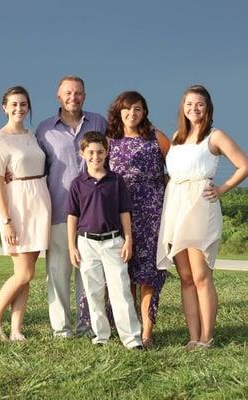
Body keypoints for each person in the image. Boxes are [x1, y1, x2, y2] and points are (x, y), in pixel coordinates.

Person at [156, 84, 248, 350]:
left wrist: (221, 189)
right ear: (182, 108)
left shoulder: (215, 136)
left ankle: (207, 338)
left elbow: (244, 165)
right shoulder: (177, 136)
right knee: (185, 278)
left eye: (199, 104)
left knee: (200, 275)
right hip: (175, 205)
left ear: (207, 107)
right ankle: (193, 336)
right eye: (188, 104)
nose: (193, 109)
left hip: (200, 206)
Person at [35, 76, 107, 338]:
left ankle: (87, 325)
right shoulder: (44, 130)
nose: (73, 97)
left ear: (84, 96)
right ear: (58, 96)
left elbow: (110, 159)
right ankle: (61, 328)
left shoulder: (99, 122)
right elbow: (36, 168)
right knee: (58, 272)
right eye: (68, 93)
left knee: (88, 274)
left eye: (78, 93)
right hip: (58, 209)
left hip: (93, 214)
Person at [0, 86, 51, 342]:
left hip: (39, 202)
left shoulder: (32, 136)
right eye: (14, 104)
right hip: (18, 206)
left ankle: (16, 330)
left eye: (23, 104)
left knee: (28, 273)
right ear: (4, 107)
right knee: (23, 272)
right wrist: (6, 219)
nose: (19, 108)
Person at [106, 91, 170, 349]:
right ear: (118, 111)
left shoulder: (155, 136)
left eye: (138, 109)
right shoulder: (110, 140)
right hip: (120, 212)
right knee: (124, 272)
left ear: (145, 112)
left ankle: (147, 332)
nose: (132, 114)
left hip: (152, 213)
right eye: (127, 109)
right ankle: (127, 328)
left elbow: (178, 165)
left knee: (149, 274)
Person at [67, 131, 143, 349]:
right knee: (93, 291)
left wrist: (128, 240)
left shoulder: (116, 181)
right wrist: (72, 246)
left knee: (120, 290)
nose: (95, 156)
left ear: (107, 153)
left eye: (100, 152)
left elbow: (124, 212)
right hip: (86, 243)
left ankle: (131, 339)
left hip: (113, 242)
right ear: (82, 153)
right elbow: (72, 216)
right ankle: (101, 336)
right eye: (90, 152)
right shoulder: (77, 184)